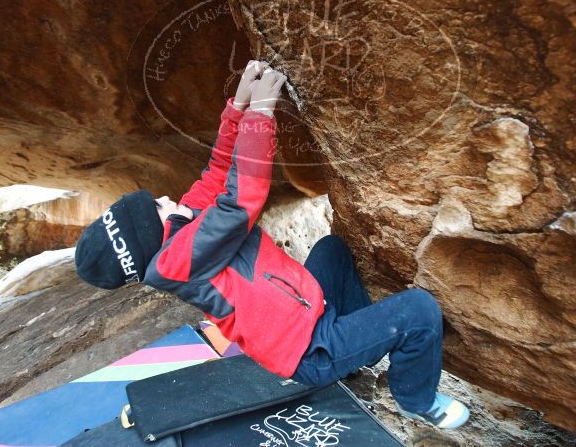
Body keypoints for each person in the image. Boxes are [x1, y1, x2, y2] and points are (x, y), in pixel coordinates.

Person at [74, 60, 470, 429]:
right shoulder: (177, 263)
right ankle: (415, 399)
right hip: (311, 350)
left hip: (312, 312)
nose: (163, 199)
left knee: (332, 250)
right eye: (154, 208)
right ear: (148, 238)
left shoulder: (180, 226)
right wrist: (261, 116)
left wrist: (238, 107)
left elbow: (215, 175)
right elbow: (241, 198)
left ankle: (359, 350)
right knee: (419, 311)